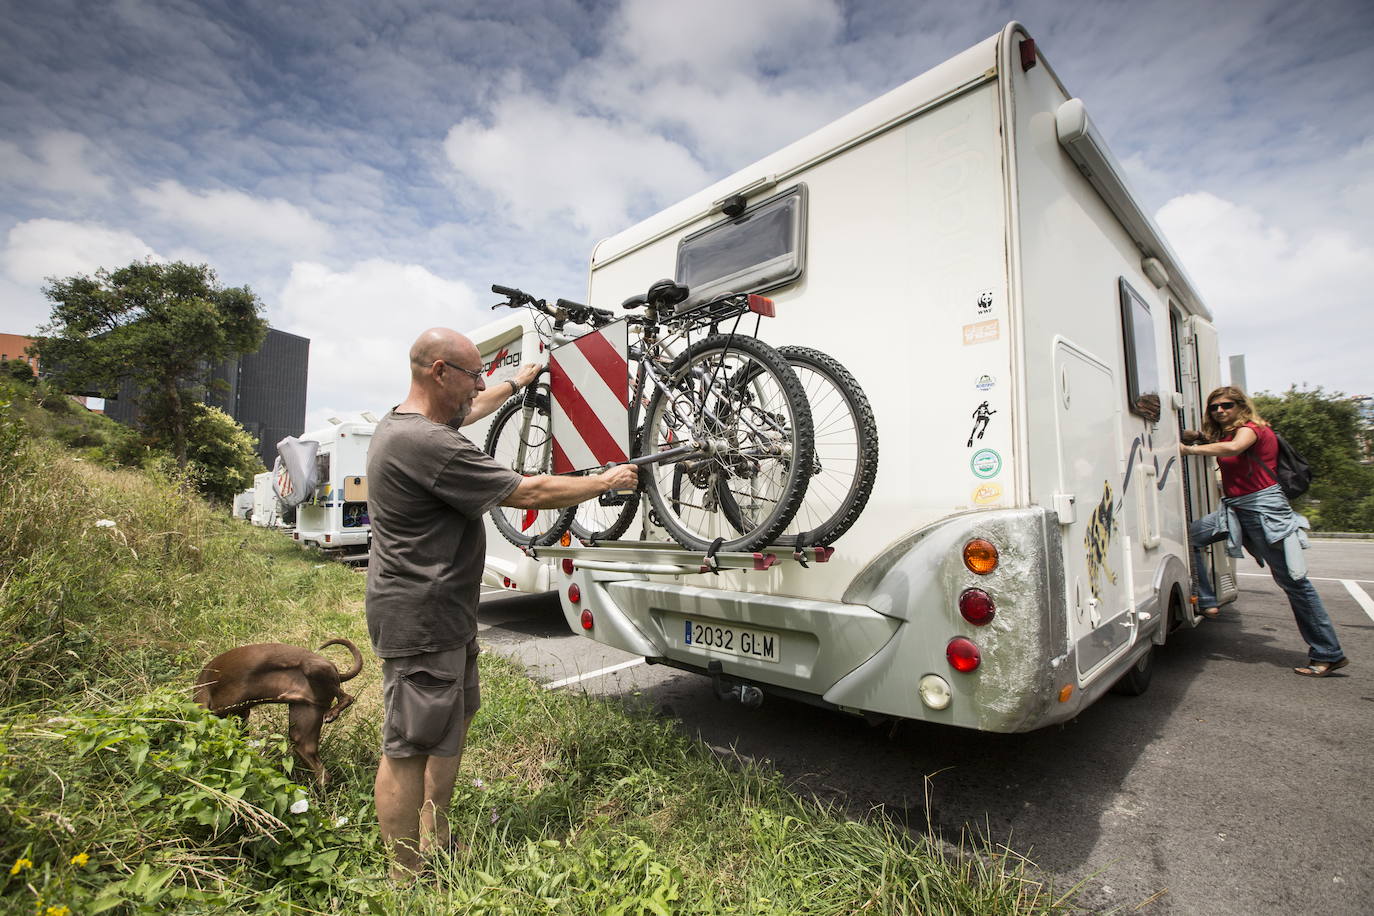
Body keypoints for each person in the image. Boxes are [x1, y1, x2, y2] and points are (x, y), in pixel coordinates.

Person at [365, 327, 637, 880]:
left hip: (447, 613)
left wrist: (518, 381)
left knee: (450, 725)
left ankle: (437, 836)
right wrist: (602, 481)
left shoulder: (416, 421)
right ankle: (404, 876)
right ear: (438, 372)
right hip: (419, 616)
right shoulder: (427, 444)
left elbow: (475, 406)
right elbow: (526, 491)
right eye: (473, 375)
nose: (480, 386)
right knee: (408, 746)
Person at [1181, 386, 1347, 678]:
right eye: (1214, 407)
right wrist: (1192, 435)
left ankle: (1328, 653)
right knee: (1190, 537)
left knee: (1294, 582)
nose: (1219, 410)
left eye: (1226, 405)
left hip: (1263, 511)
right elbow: (1221, 442)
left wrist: (1189, 449)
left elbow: (1233, 449)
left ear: (1241, 406)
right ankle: (1207, 602)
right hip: (1236, 510)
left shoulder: (1251, 429)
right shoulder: (1230, 433)